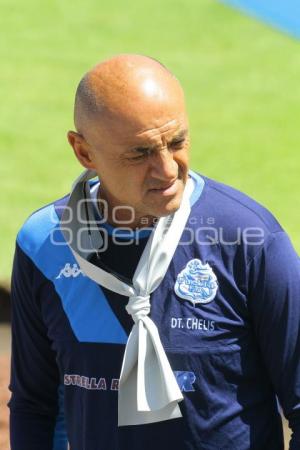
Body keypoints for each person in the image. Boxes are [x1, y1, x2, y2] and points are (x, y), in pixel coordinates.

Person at [8, 54, 300, 450]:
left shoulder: (249, 239)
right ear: (84, 153)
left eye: (177, 142)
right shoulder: (43, 244)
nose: (166, 170)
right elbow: (36, 407)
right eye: (140, 153)